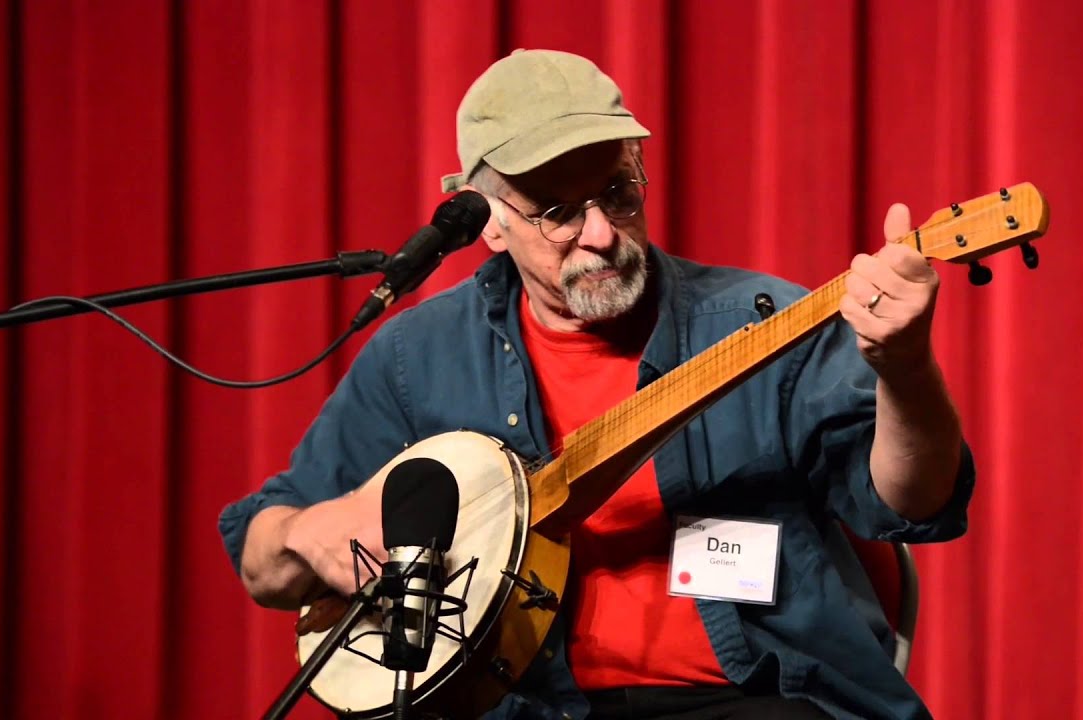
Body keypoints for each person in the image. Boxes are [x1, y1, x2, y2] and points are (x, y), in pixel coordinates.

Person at [219, 49, 974, 720]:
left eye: (617, 192)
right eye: (556, 211)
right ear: (487, 223)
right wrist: (304, 534)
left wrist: (903, 369)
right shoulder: (419, 356)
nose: (602, 232)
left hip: (753, 697)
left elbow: (915, 502)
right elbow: (261, 557)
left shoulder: (761, 320)